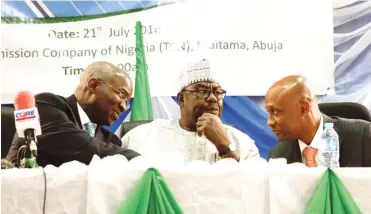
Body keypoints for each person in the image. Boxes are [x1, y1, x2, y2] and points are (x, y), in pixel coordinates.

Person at [122, 59, 260, 164]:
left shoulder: (243, 143)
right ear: (182, 99)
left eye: (217, 92)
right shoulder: (142, 137)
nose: (212, 98)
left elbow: (251, 191)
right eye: (202, 91)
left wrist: (224, 148)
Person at [6, 61, 140, 167]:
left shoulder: (110, 140)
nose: (124, 107)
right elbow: (82, 147)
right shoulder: (46, 105)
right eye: (121, 94)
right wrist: (144, 161)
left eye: (127, 101)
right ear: (93, 85)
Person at [266, 75, 371, 167]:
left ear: (304, 108)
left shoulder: (364, 138)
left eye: (275, 112)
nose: (269, 122)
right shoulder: (277, 156)